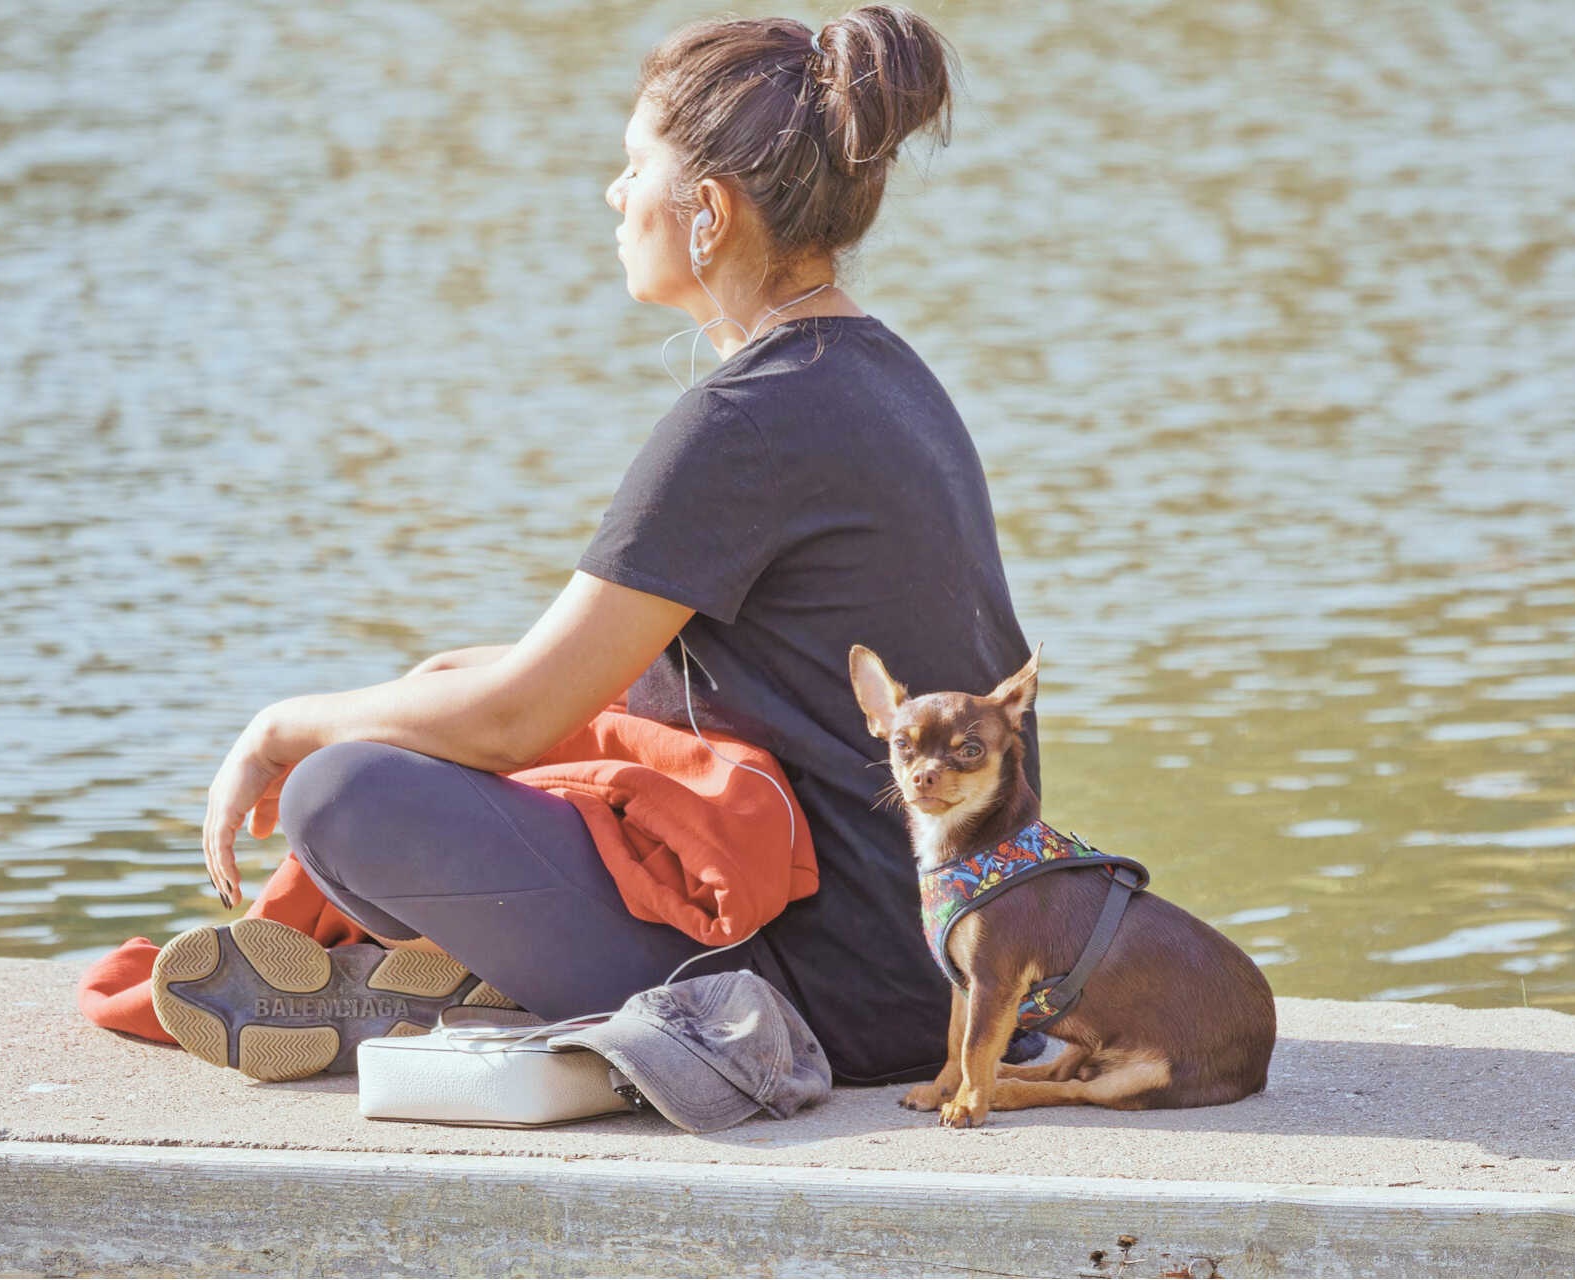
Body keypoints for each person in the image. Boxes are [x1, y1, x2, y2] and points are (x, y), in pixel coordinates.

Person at [195, 4, 1038, 1086]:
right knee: (445, 685)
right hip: (958, 962)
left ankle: (555, 987)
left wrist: (278, 726)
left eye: (635, 163)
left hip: (841, 997)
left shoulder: (742, 424)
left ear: (709, 213)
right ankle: (513, 970)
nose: (613, 192)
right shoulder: (889, 379)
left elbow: (513, 721)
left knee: (340, 793)